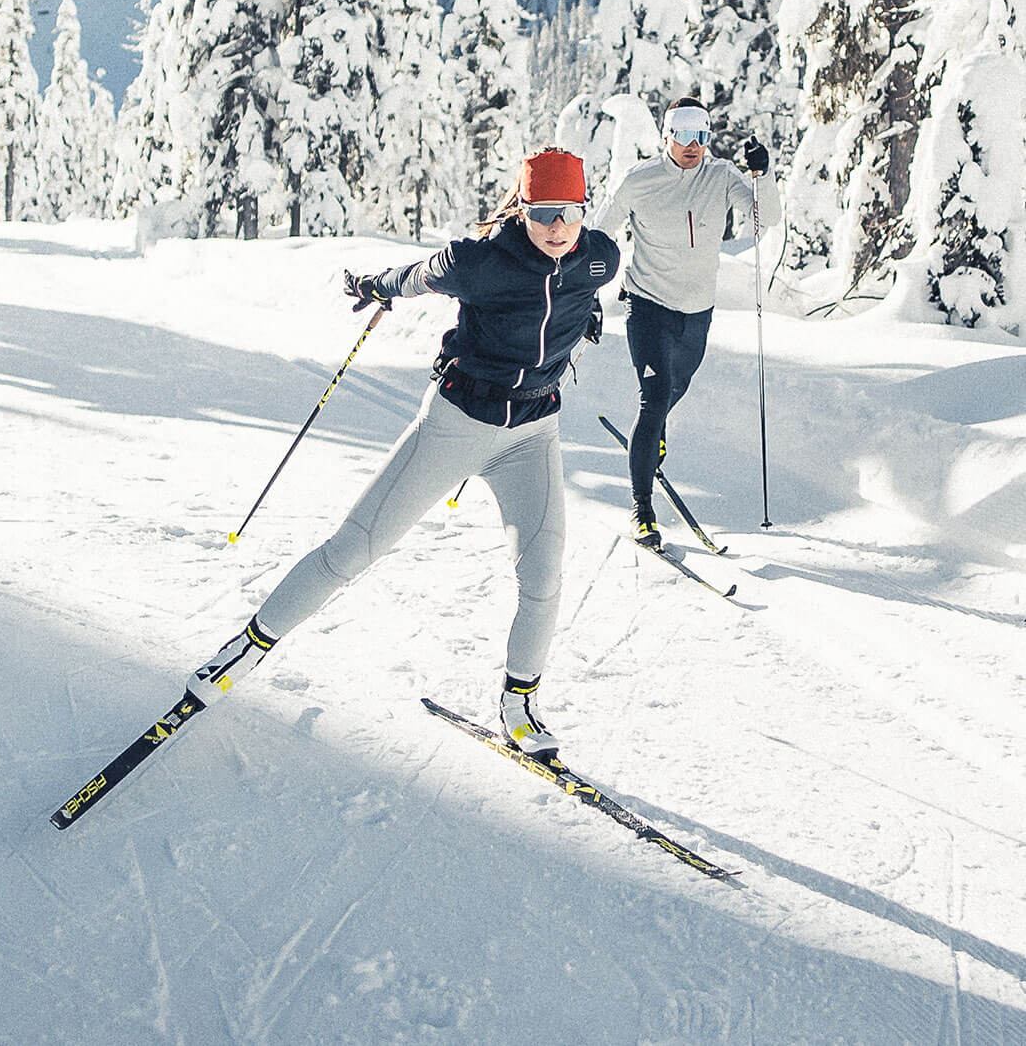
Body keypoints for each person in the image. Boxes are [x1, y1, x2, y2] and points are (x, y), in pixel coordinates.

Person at [186, 149, 620, 757]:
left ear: (583, 211)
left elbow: (579, 292)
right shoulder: (480, 263)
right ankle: (246, 648)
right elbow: (417, 275)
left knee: (544, 577)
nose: (557, 227)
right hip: (457, 423)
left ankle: (519, 703)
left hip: (533, 435)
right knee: (353, 549)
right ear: (523, 210)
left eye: (569, 212)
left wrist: (587, 314)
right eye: (544, 212)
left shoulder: (598, 257)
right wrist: (374, 286)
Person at [594, 98, 780, 548]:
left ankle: (651, 438)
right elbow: (600, 237)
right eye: (683, 133)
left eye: (702, 134)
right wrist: (586, 298)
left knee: (677, 387)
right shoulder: (640, 180)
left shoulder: (721, 177)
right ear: (665, 135)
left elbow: (765, 220)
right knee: (654, 397)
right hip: (648, 305)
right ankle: (642, 506)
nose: (693, 144)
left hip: (698, 310)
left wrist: (764, 175)